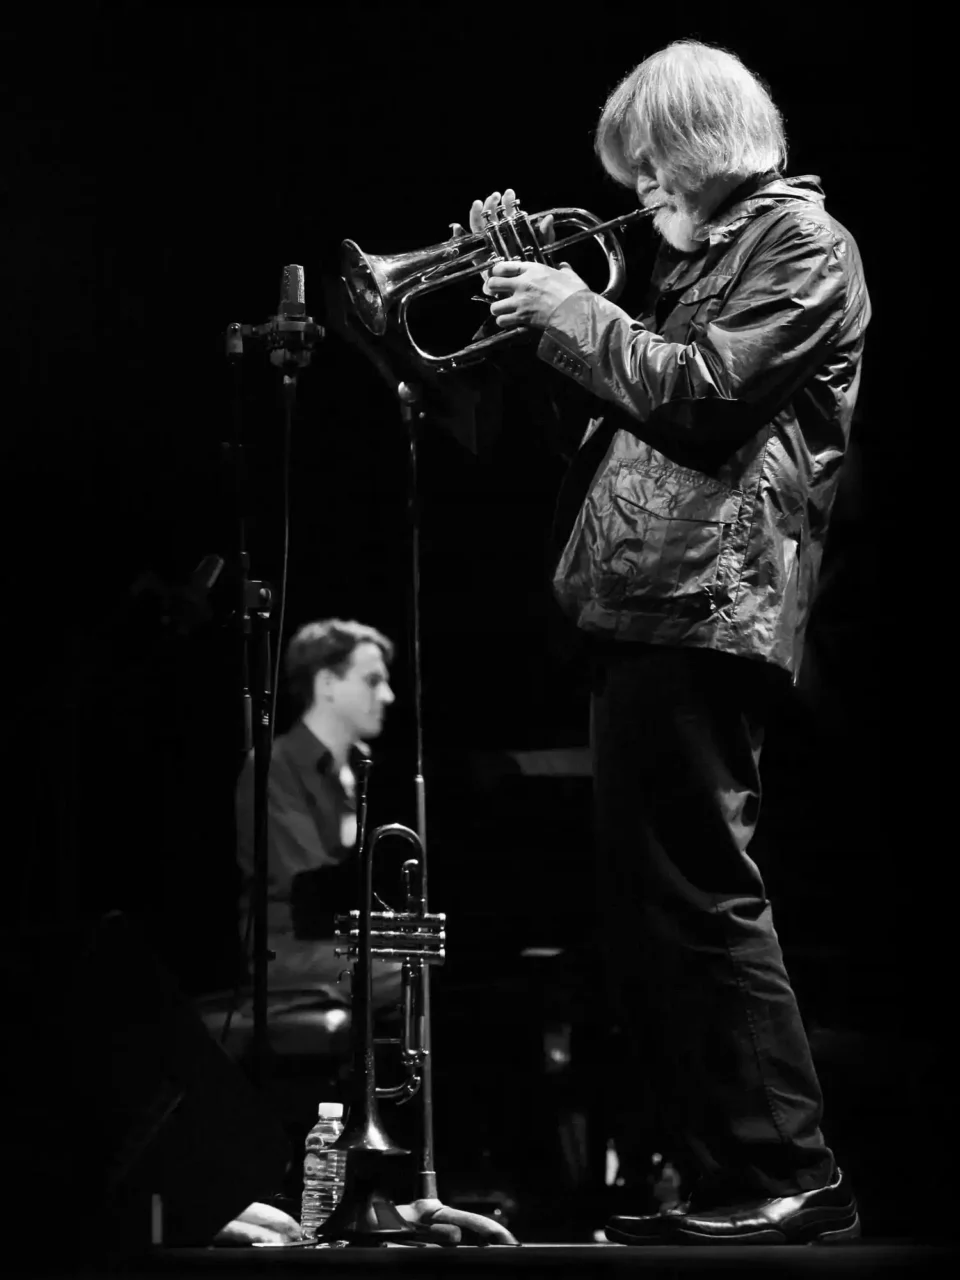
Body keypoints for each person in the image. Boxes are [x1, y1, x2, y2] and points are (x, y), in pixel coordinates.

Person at [464, 39, 869, 1245]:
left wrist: (580, 313)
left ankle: (791, 1168)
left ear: (700, 146)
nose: (639, 197)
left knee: (701, 892)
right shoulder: (697, 264)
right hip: (643, 599)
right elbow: (607, 424)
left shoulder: (803, 245)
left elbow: (701, 400)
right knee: (647, 913)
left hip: (712, 603)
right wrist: (531, 301)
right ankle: (720, 1171)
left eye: (648, 170)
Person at [234, 619, 403, 1027]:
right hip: (290, 949)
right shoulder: (275, 766)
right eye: (373, 680)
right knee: (420, 971)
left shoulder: (370, 767)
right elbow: (307, 887)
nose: (388, 695)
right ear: (327, 683)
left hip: (350, 938)